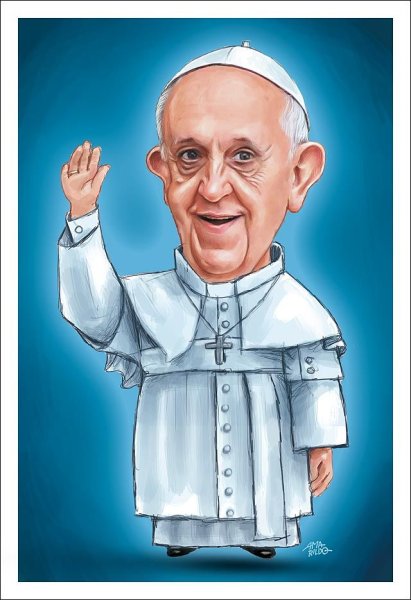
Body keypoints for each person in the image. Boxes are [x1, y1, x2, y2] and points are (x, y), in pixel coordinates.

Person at [58, 42, 348, 560]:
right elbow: (94, 317)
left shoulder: (297, 309)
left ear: (298, 175)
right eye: (189, 156)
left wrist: (319, 440)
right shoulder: (150, 299)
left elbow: (313, 376)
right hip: (177, 433)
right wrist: (82, 218)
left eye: (244, 156)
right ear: (163, 172)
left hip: (267, 452)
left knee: (265, 494)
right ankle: (184, 533)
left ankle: (261, 534)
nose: (213, 188)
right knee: (183, 484)